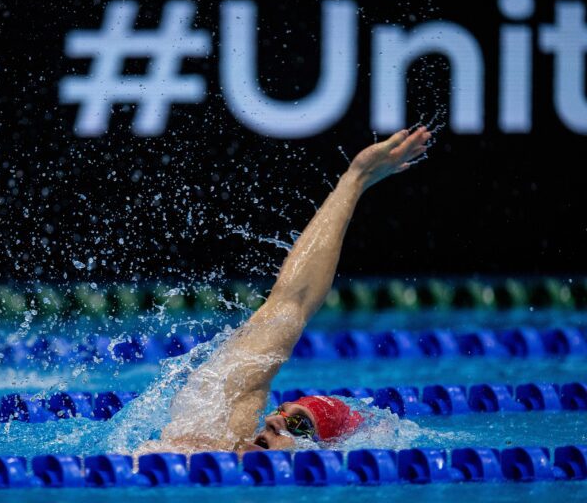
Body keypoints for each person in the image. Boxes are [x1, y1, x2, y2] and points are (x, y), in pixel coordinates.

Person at [140, 127, 433, 454]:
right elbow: (291, 304)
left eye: (298, 426)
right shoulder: (208, 429)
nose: (275, 422)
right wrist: (353, 181)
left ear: (315, 452)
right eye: (281, 413)